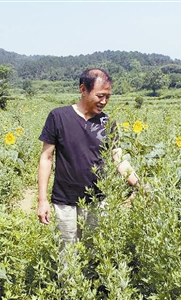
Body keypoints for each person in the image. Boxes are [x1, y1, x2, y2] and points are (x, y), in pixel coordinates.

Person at [37, 68, 141, 248]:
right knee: (67, 253)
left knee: (94, 253)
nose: (104, 101)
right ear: (83, 89)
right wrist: (42, 199)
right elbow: (46, 158)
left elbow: (119, 160)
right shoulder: (58, 117)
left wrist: (140, 184)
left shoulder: (107, 123)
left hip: (97, 200)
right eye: (100, 95)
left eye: (108, 96)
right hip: (65, 199)